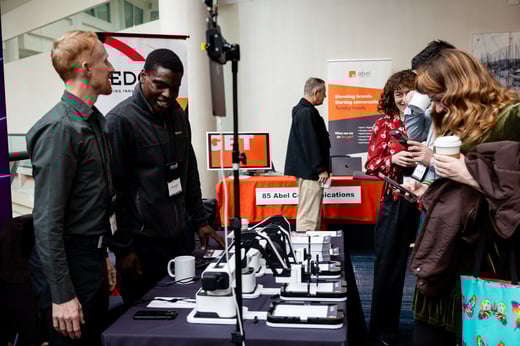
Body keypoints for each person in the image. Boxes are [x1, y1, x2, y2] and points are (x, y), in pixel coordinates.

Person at [409, 49, 520, 345]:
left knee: (488, 334)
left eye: (438, 97)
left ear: (460, 86)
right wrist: (429, 190)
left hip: (488, 255)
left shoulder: (510, 117)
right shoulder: (458, 118)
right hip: (445, 249)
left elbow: (512, 194)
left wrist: (465, 173)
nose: (438, 108)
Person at [106, 48, 224, 306]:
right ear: (142, 77)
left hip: (179, 241)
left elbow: (188, 171)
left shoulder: (178, 115)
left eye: (175, 87)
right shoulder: (119, 121)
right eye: (160, 85)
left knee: (184, 310)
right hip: (142, 247)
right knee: (143, 320)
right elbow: (114, 194)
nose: (168, 94)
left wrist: (200, 220)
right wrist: (123, 249)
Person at [26, 30, 115, 345]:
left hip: (90, 259)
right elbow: (47, 221)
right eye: (105, 60)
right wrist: (62, 295)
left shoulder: (92, 122)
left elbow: (90, 202)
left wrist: (102, 256)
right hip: (69, 269)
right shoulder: (60, 130)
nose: (112, 68)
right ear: (86, 69)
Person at [365, 70, 421, 346]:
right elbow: (372, 165)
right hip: (396, 200)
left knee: (425, 268)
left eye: (407, 91)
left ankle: (429, 328)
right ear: (391, 96)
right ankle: (383, 329)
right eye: (397, 93)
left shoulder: (426, 122)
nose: (402, 97)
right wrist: (394, 159)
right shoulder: (382, 125)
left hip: (426, 202)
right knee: (389, 265)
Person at [404, 40, 456, 183]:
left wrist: (432, 159)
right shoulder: (433, 104)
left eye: (424, 75)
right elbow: (415, 135)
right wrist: (413, 107)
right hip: (431, 183)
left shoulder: (467, 112)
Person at [284, 77, 330, 232]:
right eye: (324, 93)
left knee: (311, 214)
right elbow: (311, 143)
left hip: (308, 171)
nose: (325, 96)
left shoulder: (303, 111)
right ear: (316, 92)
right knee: (309, 218)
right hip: (310, 173)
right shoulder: (306, 112)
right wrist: (320, 168)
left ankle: (310, 251)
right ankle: (306, 253)